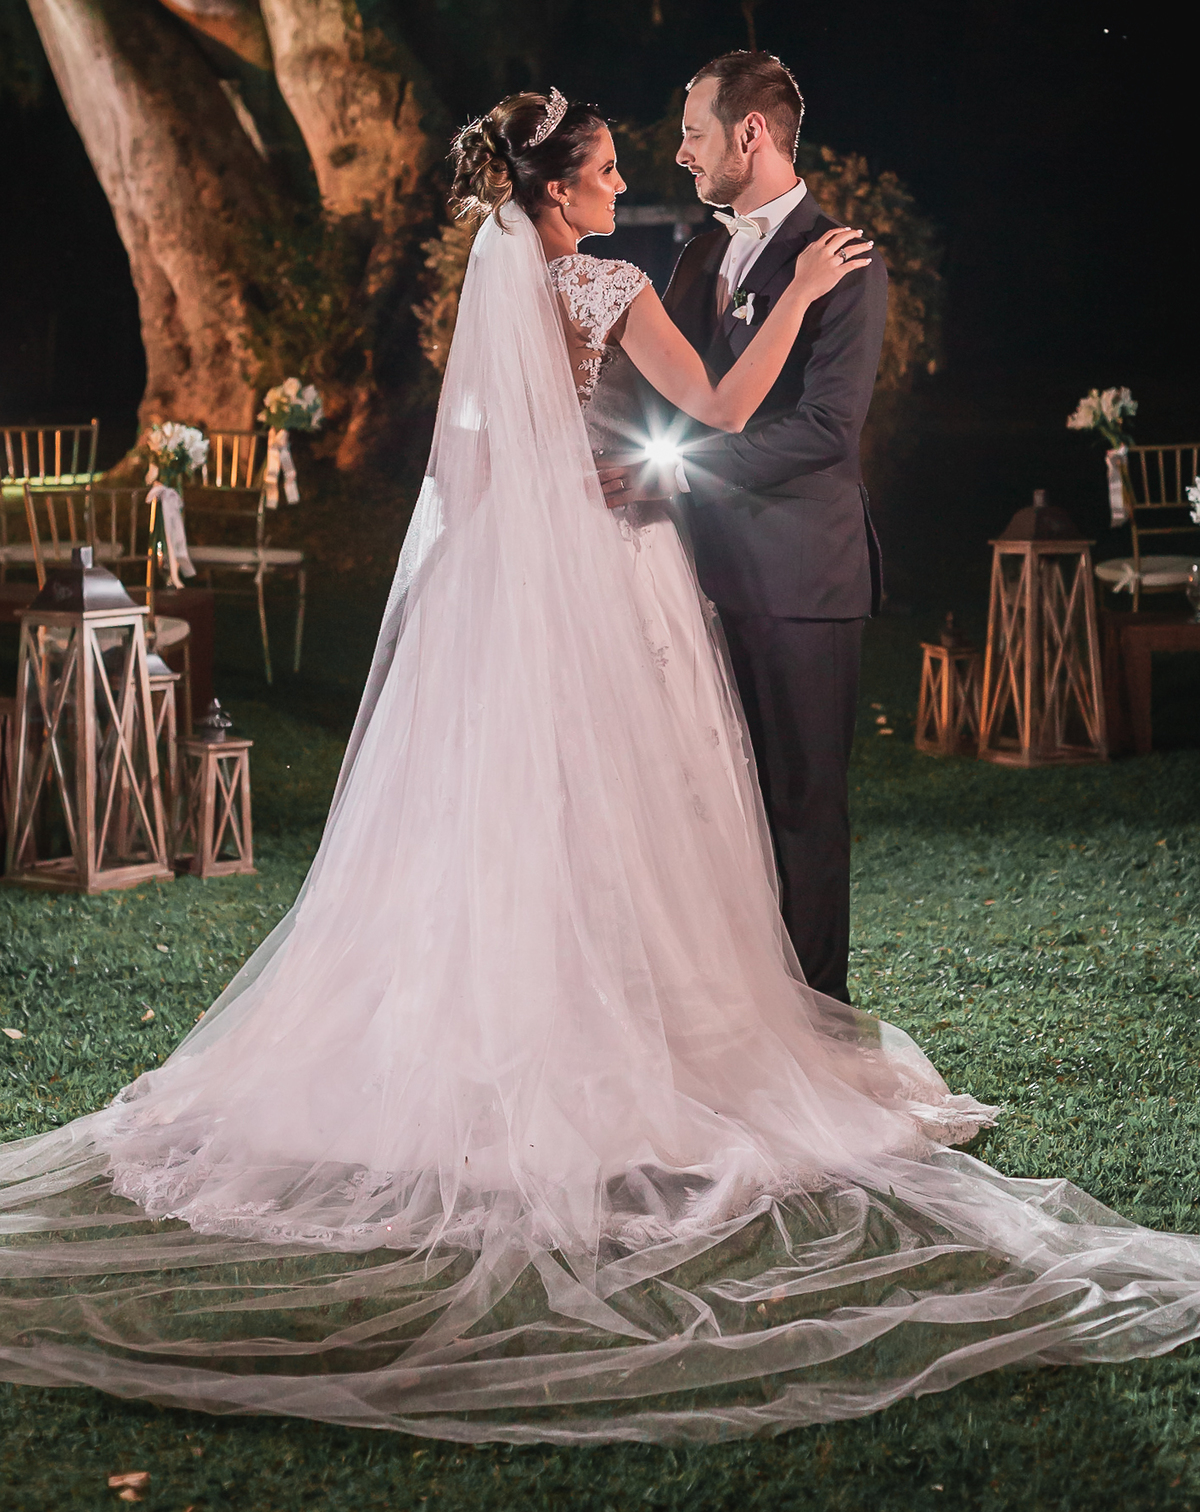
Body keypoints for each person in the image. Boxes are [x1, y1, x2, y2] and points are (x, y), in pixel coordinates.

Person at [1, 91, 1198, 1446]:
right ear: (558, 186)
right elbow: (733, 401)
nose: (631, 182)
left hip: (504, 588)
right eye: (612, 166)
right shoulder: (611, 283)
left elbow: (465, 466)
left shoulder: (497, 290)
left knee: (512, 818)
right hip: (616, 580)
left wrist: (566, 501)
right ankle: (653, 1040)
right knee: (642, 812)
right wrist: (801, 289)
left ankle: (504, 1026)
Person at [603, 50, 883, 1003]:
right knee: (719, 811)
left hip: (801, 580)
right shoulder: (697, 254)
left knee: (802, 811)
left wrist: (669, 479)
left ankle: (820, 1030)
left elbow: (825, 429)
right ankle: (741, 1021)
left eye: (693, 131)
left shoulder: (841, 260)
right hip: (692, 581)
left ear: (749, 132)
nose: (680, 152)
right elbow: (671, 393)